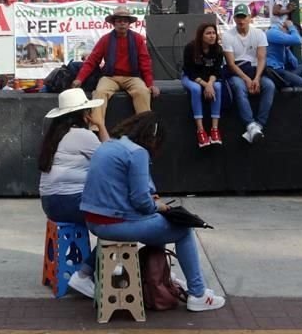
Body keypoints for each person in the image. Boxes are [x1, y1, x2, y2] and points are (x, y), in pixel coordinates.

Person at [80, 112, 226, 311]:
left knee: (158, 225)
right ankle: (198, 294)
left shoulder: (108, 145)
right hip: (115, 225)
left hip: (94, 222)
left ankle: (83, 273)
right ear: (154, 138)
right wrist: (159, 206)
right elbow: (142, 201)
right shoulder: (137, 152)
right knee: (183, 231)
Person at [38, 88, 108, 298]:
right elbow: (112, 157)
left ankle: (99, 267)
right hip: (69, 203)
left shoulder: (55, 135)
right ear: (84, 114)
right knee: (118, 225)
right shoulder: (83, 135)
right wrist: (101, 125)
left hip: (50, 203)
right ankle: (85, 274)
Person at [71, 5, 158, 126]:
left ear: (129, 23)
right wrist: (79, 79)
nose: (122, 23)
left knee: (143, 92)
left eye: (125, 21)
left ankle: (145, 128)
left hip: (132, 77)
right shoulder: (105, 39)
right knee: (99, 92)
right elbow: (92, 61)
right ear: (114, 23)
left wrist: (150, 84)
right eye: (119, 20)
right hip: (110, 77)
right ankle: (96, 128)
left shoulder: (137, 39)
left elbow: (145, 62)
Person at [222, 3, 275, 143]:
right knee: (239, 87)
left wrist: (256, 78)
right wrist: (247, 79)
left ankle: (258, 125)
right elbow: (231, 63)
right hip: (238, 72)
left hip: (254, 70)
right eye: (238, 17)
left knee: (269, 86)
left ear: (249, 18)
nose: (241, 20)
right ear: (234, 19)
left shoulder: (259, 34)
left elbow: (261, 58)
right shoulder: (227, 36)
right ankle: (250, 124)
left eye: (243, 17)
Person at [180, 23, 225, 148]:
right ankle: (200, 130)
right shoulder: (190, 48)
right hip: (190, 77)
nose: (212, 36)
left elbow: (217, 71)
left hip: (209, 78)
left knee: (218, 87)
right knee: (196, 89)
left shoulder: (218, 49)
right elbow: (190, 72)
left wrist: (210, 84)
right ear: (201, 36)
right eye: (208, 33)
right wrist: (205, 85)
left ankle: (214, 129)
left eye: (213, 33)